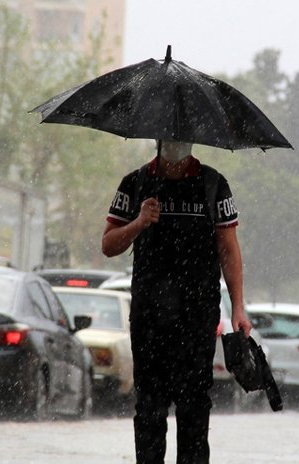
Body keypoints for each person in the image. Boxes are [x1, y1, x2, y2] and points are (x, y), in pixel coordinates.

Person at [101, 140, 252, 464]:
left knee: (195, 408)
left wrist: (238, 307)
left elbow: (229, 248)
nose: (176, 143)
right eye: (170, 136)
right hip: (149, 318)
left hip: (198, 317)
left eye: (183, 136)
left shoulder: (214, 185)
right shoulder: (136, 183)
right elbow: (108, 244)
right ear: (157, 140)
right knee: (149, 409)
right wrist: (139, 222)